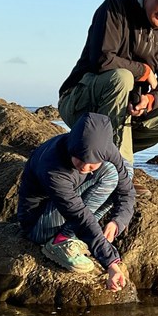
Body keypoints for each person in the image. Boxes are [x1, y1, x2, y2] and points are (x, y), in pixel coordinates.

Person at [57, 0, 158, 190]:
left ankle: (100, 153)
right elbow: (102, 59)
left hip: (123, 113)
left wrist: (149, 100)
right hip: (80, 102)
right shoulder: (116, 7)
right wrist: (144, 71)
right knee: (122, 77)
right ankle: (120, 173)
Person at [17, 112, 135, 292]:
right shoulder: (53, 168)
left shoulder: (108, 151)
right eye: (80, 159)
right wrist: (111, 262)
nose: (85, 167)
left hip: (67, 213)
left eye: (92, 164)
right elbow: (79, 214)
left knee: (125, 170)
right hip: (38, 224)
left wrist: (117, 222)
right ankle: (60, 241)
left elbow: (126, 192)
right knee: (110, 175)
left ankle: (73, 235)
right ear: (73, 147)